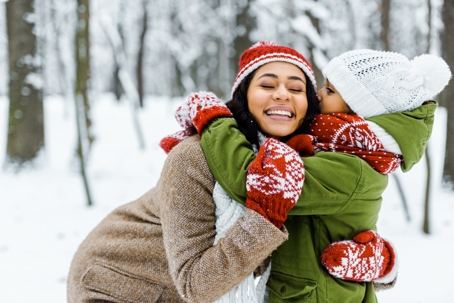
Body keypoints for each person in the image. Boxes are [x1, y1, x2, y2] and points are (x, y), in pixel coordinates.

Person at [67, 42, 360, 303]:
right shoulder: (194, 157)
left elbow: (304, 250)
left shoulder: (296, 162)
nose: (283, 94)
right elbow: (196, 286)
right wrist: (265, 216)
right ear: (244, 98)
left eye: (296, 89)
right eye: (268, 86)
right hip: (119, 286)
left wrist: (376, 267)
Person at [166, 44, 450, 302]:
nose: (317, 96)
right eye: (267, 84)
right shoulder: (330, 147)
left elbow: (254, 183)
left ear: (356, 110)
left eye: (329, 91)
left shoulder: (351, 164)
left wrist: (214, 120)